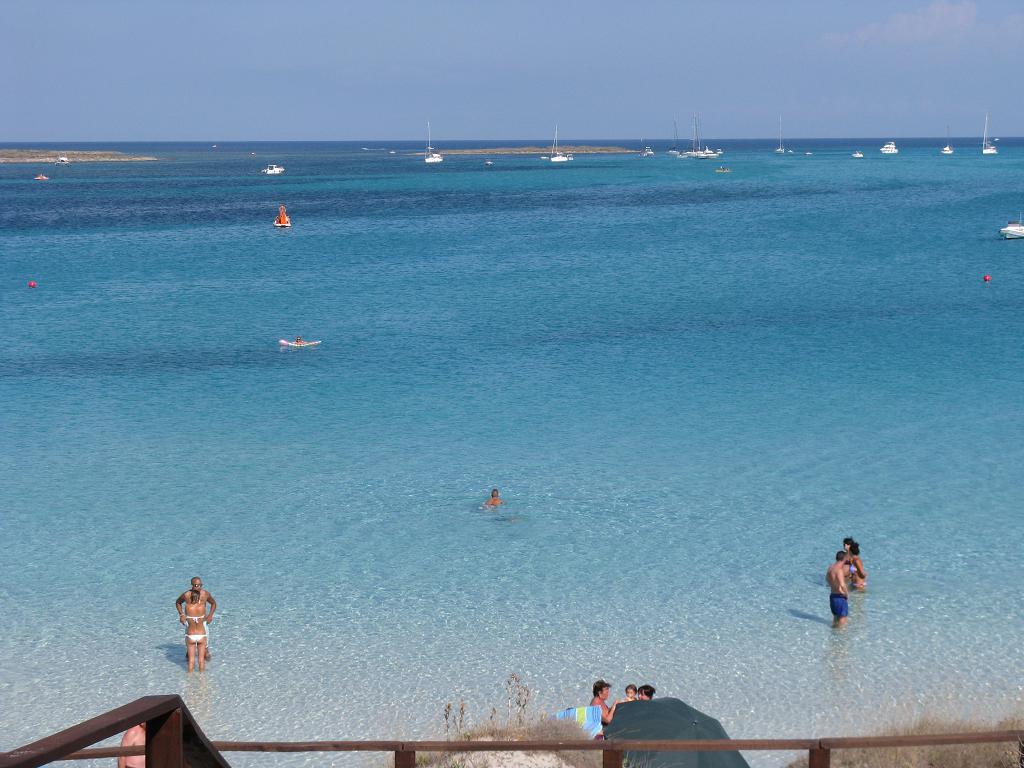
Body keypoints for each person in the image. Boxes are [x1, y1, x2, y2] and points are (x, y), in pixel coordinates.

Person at [176, 577, 216, 664]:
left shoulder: (205, 594)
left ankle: (206, 650)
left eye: (199, 585)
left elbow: (213, 603)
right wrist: (181, 614)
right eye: (195, 585)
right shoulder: (186, 595)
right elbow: (178, 602)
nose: (197, 587)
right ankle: (189, 652)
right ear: (192, 585)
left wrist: (210, 615)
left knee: (205, 652)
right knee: (188, 654)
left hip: (202, 622)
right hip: (190, 622)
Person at [826, 551, 849, 627]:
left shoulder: (830, 568)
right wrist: (846, 594)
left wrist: (834, 586)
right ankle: (841, 638)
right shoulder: (839, 570)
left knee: (836, 619)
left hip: (832, 596)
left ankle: (834, 637)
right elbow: (842, 585)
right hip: (840, 597)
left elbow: (827, 580)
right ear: (844, 558)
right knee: (843, 619)